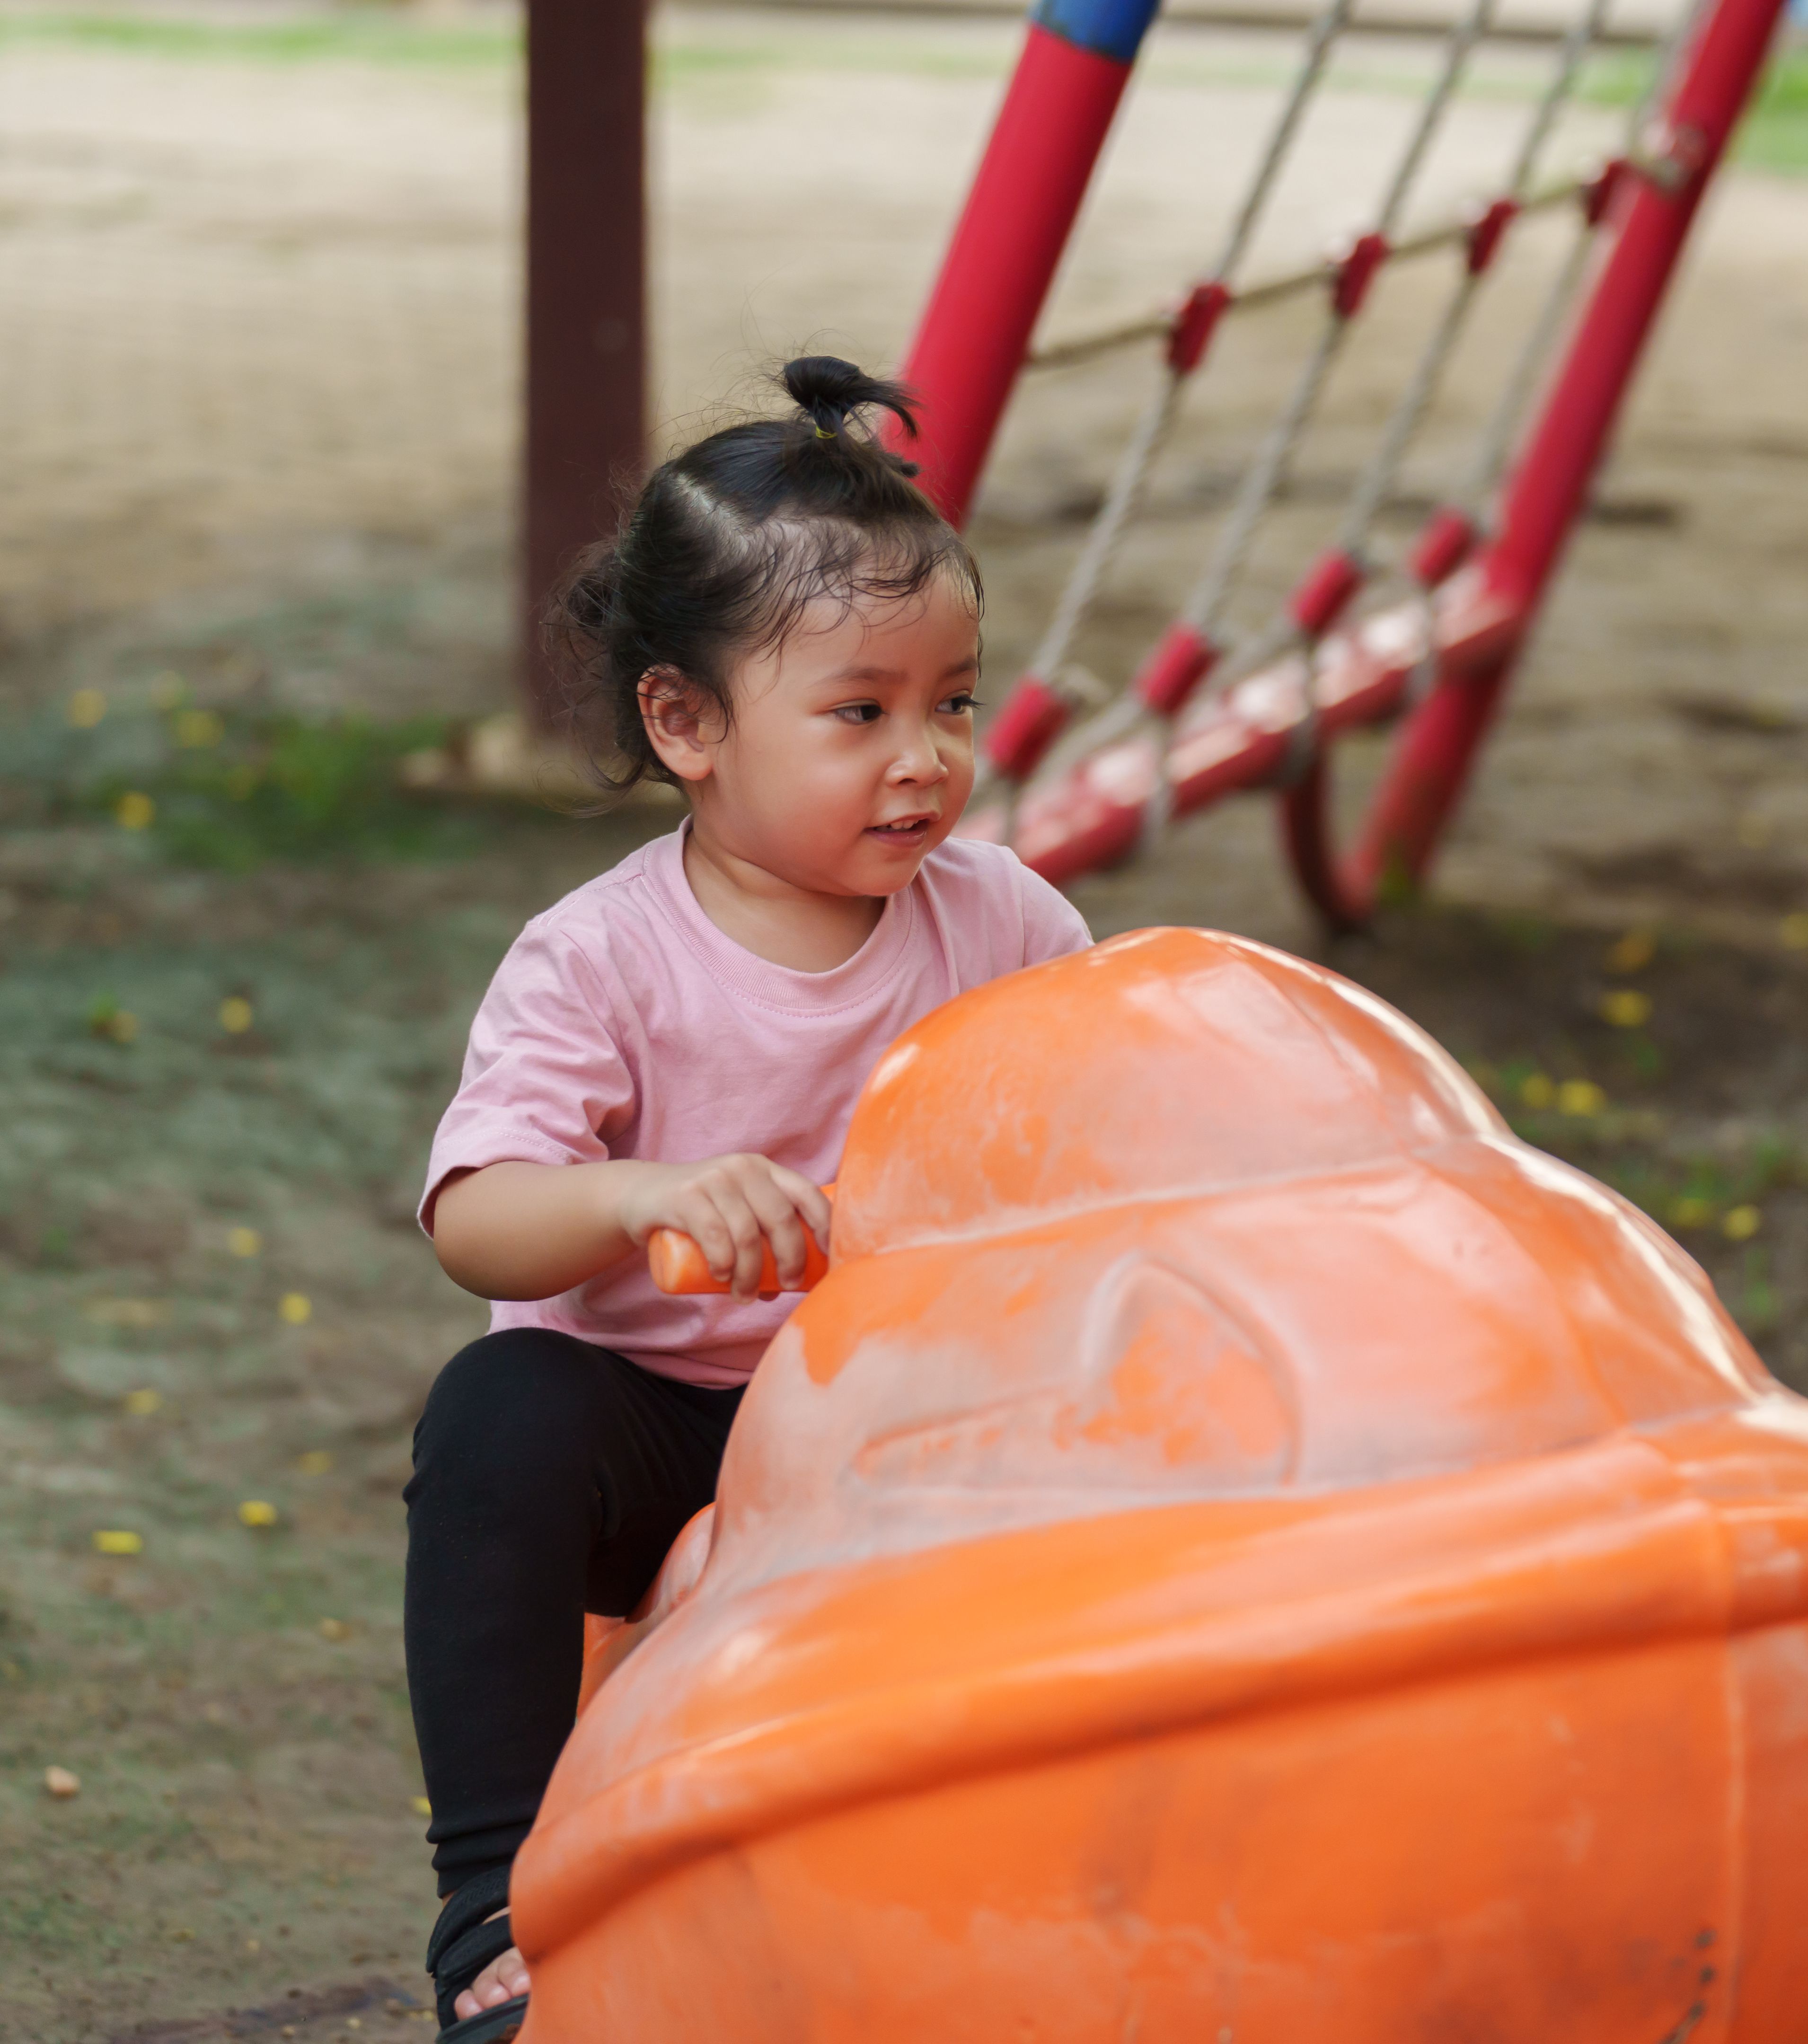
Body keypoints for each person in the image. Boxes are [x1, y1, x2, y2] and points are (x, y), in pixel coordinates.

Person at [405, 358, 1093, 2040]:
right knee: (499, 1412)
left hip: (902, 1423)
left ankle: (1088, 1849)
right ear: (686, 724)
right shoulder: (602, 957)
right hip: (665, 1420)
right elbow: (477, 1218)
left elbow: (1111, 1124)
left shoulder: (1005, 921)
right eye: (861, 714)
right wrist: (644, 1193)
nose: (926, 759)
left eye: (954, 702)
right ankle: (497, 1903)